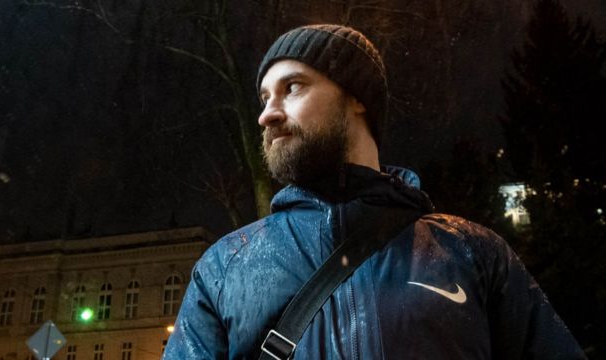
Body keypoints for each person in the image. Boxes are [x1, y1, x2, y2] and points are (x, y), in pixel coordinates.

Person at [163, 24, 585, 359]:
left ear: (357, 98)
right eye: (264, 96)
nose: (267, 114)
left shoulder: (472, 253)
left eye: (292, 87)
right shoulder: (223, 267)